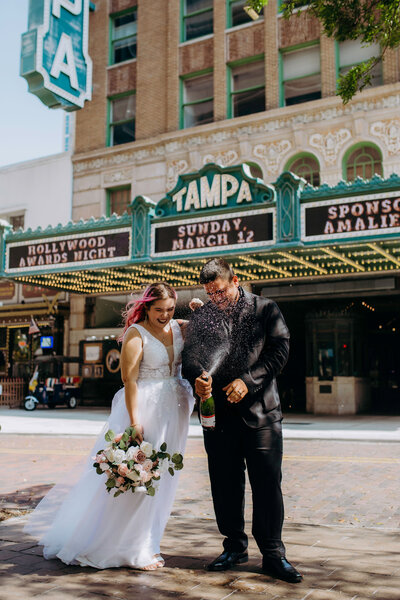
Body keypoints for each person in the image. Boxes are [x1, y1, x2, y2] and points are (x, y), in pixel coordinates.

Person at [25, 282, 195, 570]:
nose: (165, 315)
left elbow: (211, 324)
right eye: (158, 310)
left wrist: (198, 310)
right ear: (146, 307)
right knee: (141, 478)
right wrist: (135, 422)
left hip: (175, 410)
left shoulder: (179, 326)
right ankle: (131, 546)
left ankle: (149, 539)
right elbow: (129, 381)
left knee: (163, 478)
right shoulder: (136, 332)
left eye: (169, 309)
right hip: (146, 409)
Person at [182, 258, 302, 584]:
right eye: (210, 294)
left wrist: (248, 381)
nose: (215, 299)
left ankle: (274, 555)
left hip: (262, 414)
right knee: (224, 485)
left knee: (266, 485)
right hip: (218, 418)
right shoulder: (203, 315)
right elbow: (189, 359)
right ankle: (234, 547)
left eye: (220, 292)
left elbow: (280, 349)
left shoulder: (265, 309)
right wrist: (198, 378)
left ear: (235, 280)